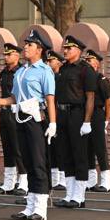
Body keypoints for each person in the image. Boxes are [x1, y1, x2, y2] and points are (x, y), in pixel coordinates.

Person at [10, 30, 57, 220]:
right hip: (20, 117)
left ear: (40, 50)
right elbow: (14, 97)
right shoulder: (21, 72)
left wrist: (53, 123)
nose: (25, 47)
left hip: (36, 119)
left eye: (30, 45)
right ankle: (30, 206)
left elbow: (50, 99)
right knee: (27, 161)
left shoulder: (44, 71)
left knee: (38, 162)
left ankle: (40, 207)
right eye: (26, 44)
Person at [53, 35, 98, 210]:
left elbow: (90, 97)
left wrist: (87, 121)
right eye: (64, 48)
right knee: (66, 155)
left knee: (79, 155)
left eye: (69, 48)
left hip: (78, 114)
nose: (65, 51)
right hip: (63, 114)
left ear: (78, 50)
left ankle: (79, 196)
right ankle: (69, 194)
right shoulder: (63, 69)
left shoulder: (85, 70)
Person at [0, 42, 27, 196]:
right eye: (5, 54)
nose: (6, 56)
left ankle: (24, 182)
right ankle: (9, 182)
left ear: (17, 56)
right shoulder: (3, 73)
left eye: (9, 54)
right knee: (7, 148)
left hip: (16, 112)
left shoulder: (22, 72)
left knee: (18, 149)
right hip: (4, 112)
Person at [84, 48, 110, 192]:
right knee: (88, 148)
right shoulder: (84, 79)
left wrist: (106, 120)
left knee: (100, 148)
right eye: (86, 60)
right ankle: (91, 181)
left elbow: (108, 102)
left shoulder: (102, 80)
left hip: (98, 115)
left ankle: (106, 182)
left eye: (90, 60)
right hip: (86, 116)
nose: (87, 63)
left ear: (97, 64)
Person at [46, 48, 65, 189]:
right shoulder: (48, 77)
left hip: (60, 115)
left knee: (61, 148)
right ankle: (54, 178)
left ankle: (63, 179)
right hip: (48, 115)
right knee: (51, 148)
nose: (48, 62)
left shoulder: (61, 78)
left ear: (58, 62)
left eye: (51, 60)